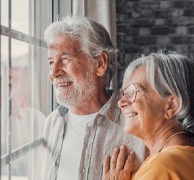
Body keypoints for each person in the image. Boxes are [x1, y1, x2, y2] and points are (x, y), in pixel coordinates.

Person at [40, 15, 147, 180]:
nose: (53, 74)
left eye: (65, 59)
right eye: (50, 63)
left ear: (100, 64)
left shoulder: (138, 124)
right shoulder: (52, 123)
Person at [102, 51, 194, 180]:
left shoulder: (161, 168)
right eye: (123, 93)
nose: (121, 102)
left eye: (132, 92)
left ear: (171, 106)